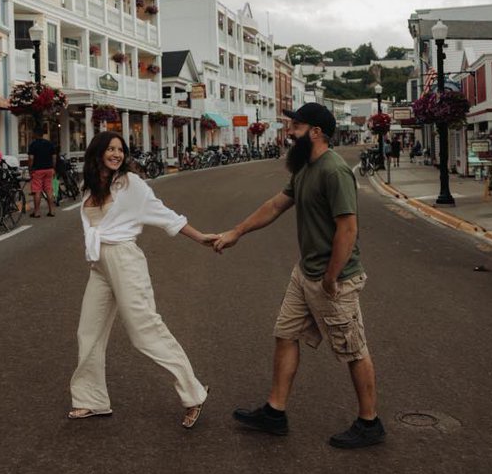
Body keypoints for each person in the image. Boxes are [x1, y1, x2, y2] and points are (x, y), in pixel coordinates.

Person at [213, 102, 383, 449]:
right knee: (285, 333)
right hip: (305, 273)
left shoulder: (334, 171)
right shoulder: (306, 167)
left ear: (316, 132)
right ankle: (275, 413)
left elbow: (348, 229)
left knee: (353, 349)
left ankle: (370, 422)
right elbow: (276, 204)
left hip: (333, 279)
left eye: (296, 127)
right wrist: (236, 232)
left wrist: (331, 278)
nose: (289, 132)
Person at [69, 131, 217, 428]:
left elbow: (163, 214)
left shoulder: (130, 184)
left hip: (124, 260)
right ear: (97, 152)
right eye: (110, 149)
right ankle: (91, 399)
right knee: (89, 331)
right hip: (99, 264)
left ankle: (193, 392)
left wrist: (200, 237)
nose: (116, 154)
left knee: (144, 330)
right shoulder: (89, 185)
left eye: (120, 150)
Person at [27, 125, 58, 218]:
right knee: (49, 190)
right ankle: (52, 211)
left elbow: (31, 158)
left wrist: (30, 169)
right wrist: (53, 168)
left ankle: (37, 212)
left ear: (35, 134)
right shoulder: (49, 144)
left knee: (37, 191)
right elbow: (54, 158)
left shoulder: (33, 145)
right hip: (49, 169)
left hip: (38, 170)